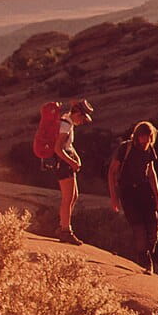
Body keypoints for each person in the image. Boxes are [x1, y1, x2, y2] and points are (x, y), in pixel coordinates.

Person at [108, 121, 158, 275]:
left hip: (145, 191)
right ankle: (145, 262)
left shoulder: (149, 149)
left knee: (154, 229)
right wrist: (114, 197)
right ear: (137, 136)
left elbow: (151, 173)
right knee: (139, 229)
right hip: (128, 193)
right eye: (143, 137)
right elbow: (112, 172)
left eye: (148, 137)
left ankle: (146, 253)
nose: (145, 140)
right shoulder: (125, 148)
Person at [54, 99, 94, 245]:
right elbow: (58, 148)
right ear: (76, 113)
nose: (83, 121)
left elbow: (68, 145)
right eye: (82, 117)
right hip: (63, 164)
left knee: (73, 196)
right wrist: (71, 162)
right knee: (68, 198)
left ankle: (63, 226)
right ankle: (66, 230)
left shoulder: (67, 123)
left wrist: (76, 158)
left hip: (67, 162)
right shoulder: (65, 125)